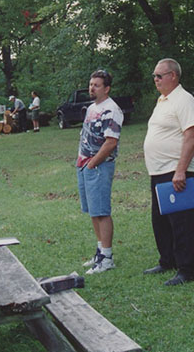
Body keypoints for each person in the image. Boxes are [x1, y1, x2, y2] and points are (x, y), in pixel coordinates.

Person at [142, 58, 194, 286]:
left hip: (178, 171)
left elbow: (191, 135)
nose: (155, 79)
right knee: (160, 220)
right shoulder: (162, 100)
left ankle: (187, 269)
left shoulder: (184, 100)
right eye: (154, 76)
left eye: (159, 75)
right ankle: (168, 260)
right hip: (159, 171)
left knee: (181, 221)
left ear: (173, 76)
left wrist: (181, 170)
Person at [77, 70, 124, 275]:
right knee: (93, 211)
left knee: (102, 211)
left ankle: (107, 257)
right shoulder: (91, 108)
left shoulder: (112, 110)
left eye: (96, 85)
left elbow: (111, 142)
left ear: (107, 88)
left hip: (98, 166)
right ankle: (100, 250)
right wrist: (83, 163)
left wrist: (93, 163)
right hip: (84, 164)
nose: (92, 88)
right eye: (91, 84)